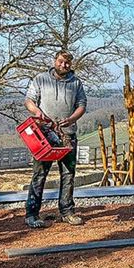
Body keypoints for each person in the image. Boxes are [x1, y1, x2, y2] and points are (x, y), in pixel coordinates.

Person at [24, 50, 88, 228]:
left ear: (71, 64)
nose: (63, 65)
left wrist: (72, 118)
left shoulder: (76, 83)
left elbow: (82, 105)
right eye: (60, 61)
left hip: (67, 134)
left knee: (68, 173)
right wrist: (38, 113)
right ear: (55, 61)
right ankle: (32, 213)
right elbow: (29, 100)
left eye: (67, 63)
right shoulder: (41, 79)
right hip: (44, 134)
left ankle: (67, 211)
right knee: (39, 174)